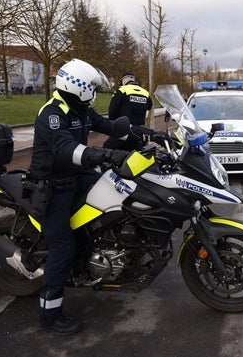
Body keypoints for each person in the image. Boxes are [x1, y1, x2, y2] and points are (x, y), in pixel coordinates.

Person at [28, 59, 137, 335]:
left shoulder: (81, 110)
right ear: (76, 87)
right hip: (51, 187)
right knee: (63, 248)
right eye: (91, 87)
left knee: (120, 191)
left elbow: (111, 126)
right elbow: (67, 150)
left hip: (75, 178)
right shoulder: (52, 114)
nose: (93, 92)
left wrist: (150, 135)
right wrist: (105, 154)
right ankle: (49, 316)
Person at [104, 72, 153, 150]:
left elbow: (112, 109)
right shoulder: (145, 92)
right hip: (139, 132)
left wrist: (112, 125)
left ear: (124, 81)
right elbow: (149, 106)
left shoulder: (122, 90)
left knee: (107, 148)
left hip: (124, 130)